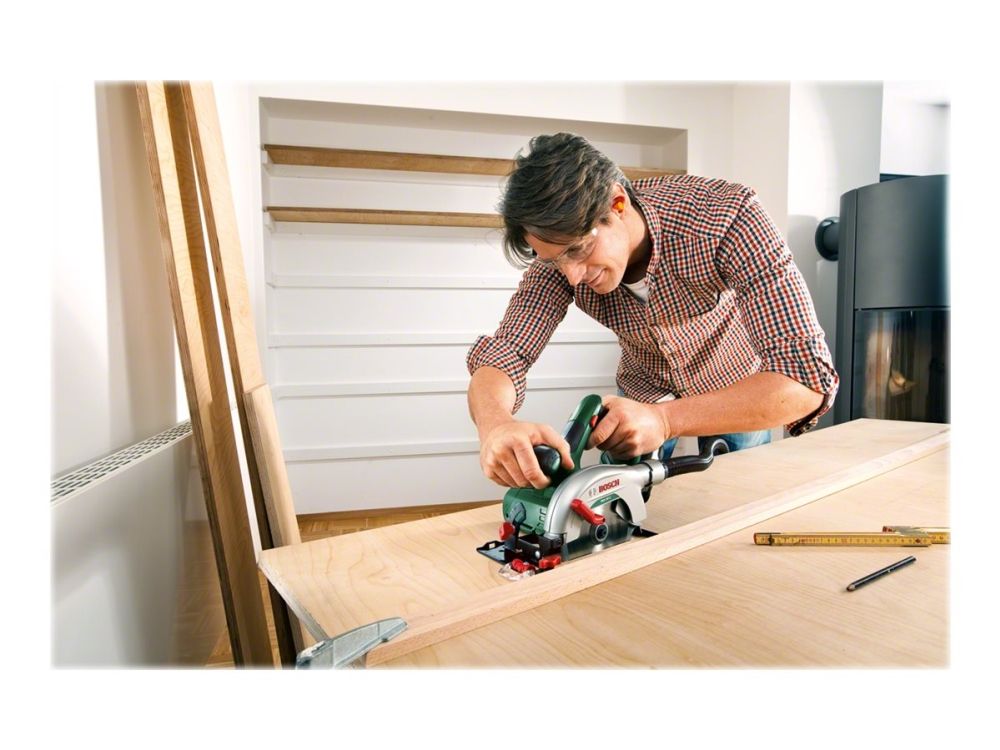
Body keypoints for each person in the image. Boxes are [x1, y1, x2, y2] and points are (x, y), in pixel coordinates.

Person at [466, 133, 838, 490]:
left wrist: (664, 420)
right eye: (555, 260)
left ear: (617, 204)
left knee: (738, 497)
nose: (572, 276)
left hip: (735, 386)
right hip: (641, 388)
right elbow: (507, 352)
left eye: (578, 250)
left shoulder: (726, 216)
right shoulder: (562, 255)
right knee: (622, 508)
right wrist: (495, 425)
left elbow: (806, 381)